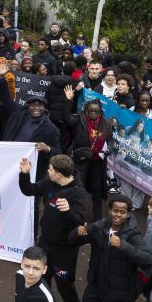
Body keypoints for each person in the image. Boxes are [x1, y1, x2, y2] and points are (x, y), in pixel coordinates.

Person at [69, 195, 152, 302]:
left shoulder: (133, 234)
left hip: (117, 291)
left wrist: (123, 246)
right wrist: (78, 234)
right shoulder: (100, 227)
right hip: (95, 284)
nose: (118, 215)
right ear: (109, 211)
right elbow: (73, 240)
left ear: (128, 214)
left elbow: (148, 259)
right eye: (115, 211)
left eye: (123, 212)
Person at [19, 154, 89, 302]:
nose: (47, 171)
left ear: (59, 173)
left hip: (64, 249)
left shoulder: (79, 194)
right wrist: (24, 174)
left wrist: (68, 212)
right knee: (42, 280)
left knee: (64, 284)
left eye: (50, 169)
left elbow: (80, 221)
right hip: (44, 244)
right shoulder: (50, 182)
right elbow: (28, 190)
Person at [63, 88, 112, 222]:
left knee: (97, 190)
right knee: (79, 188)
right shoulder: (79, 120)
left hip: (98, 163)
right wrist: (68, 101)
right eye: (91, 110)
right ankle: (77, 215)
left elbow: (110, 141)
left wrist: (110, 149)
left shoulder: (107, 124)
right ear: (86, 110)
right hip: (80, 161)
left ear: (100, 111)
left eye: (96, 111)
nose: (93, 113)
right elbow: (66, 119)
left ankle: (97, 216)